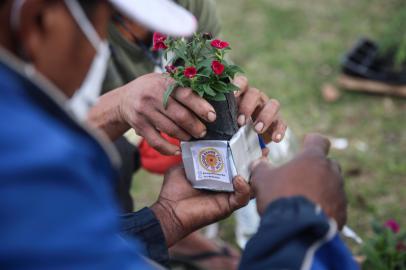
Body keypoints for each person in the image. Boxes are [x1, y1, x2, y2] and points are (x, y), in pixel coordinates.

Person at [0, 0, 357, 269]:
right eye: (106, 20)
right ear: (37, 20)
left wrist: (164, 220)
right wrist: (300, 225)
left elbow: (69, 248)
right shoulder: (25, 173)